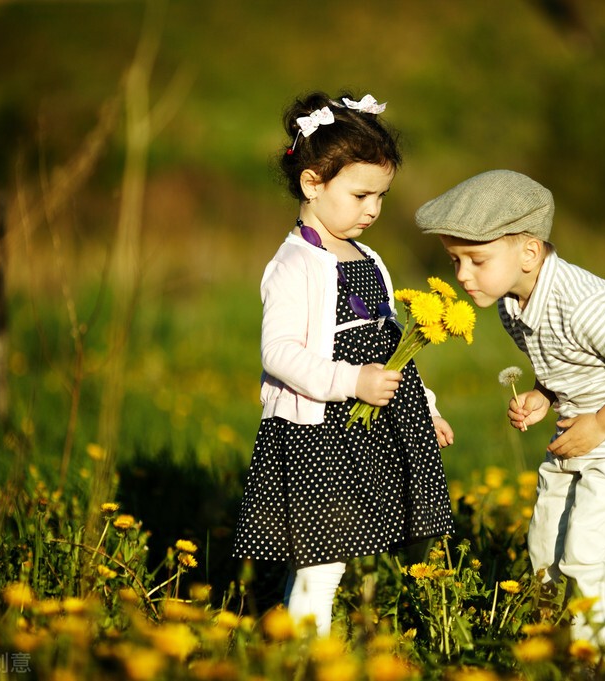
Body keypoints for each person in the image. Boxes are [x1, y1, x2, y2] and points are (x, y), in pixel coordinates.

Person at [415, 169, 605, 661]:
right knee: (544, 548)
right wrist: (543, 395)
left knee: (587, 553)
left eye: (477, 260)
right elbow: (567, 363)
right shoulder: (511, 305)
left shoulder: (586, 303)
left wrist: (600, 426)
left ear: (529, 252)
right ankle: (554, 645)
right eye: (455, 260)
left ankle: (597, 661)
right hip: (577, 429)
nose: (462, 275)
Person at [233, 91, 455, 637]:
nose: (373, 210)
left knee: (337, 552)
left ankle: (288, 638)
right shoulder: (295, 263)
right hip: (317, 431)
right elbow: (279, 353)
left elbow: (390, 344)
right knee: (323, 560)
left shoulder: (367, 257)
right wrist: (349, 380)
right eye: (360, 195)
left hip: (367, 428)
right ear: (312, 183)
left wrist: (423, 408)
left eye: (381, 196)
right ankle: (306, 653)